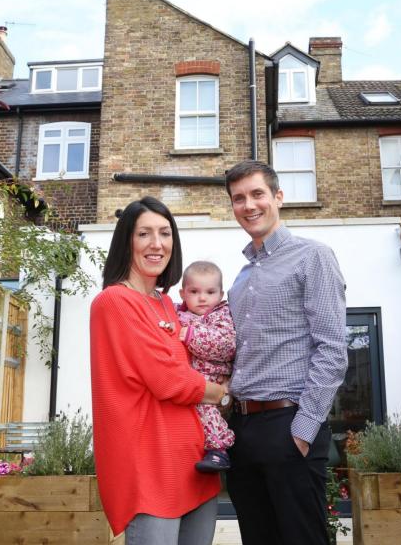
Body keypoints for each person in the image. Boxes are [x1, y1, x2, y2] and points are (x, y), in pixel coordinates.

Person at [89, 196, 230, 545]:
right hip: (151, 467)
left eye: (165, 233)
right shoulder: (115, 301)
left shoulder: (168, 303)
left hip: (195, 464)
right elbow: (169, 380)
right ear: (126, 242)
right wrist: (222, 391)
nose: (157, 244)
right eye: (144, 234)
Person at [223, 160, 349, 545]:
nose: (249, 205)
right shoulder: (240, 280)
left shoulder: (313, 256)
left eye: (257, 194)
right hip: (242, 430)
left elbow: (331, 348)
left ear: (278, 197)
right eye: (238, 198)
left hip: (288, 425)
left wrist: (303, 430)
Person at [176, 260, 237, 473]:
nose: (202, 298)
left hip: (213, 377)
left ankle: (219, 450)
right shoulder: (177, 315)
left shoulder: (221, 314)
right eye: (195, 291)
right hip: (190, 379)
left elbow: (227, 345)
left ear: (220, 295)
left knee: (207, 410)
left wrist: (192, 335)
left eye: (210, 292)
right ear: (183, 293)